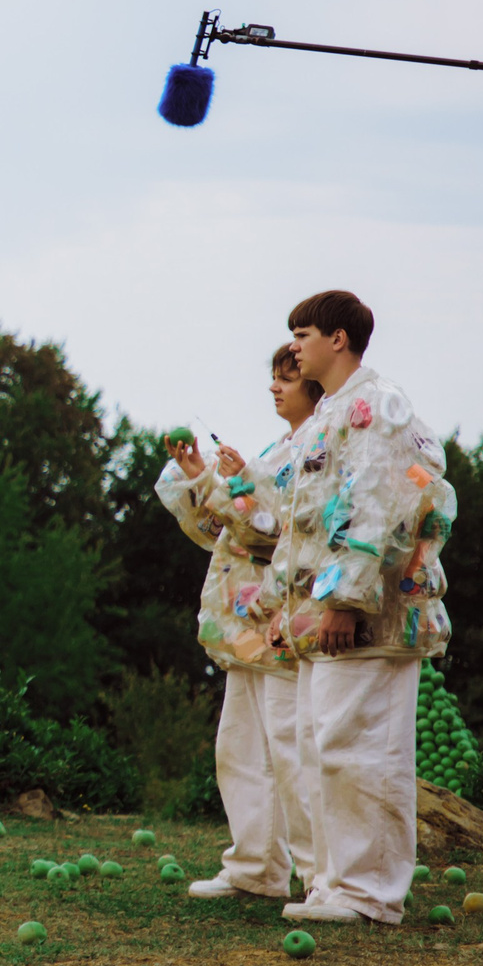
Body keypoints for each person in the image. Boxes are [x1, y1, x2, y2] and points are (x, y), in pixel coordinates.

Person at [272, 290, 455, 925]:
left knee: (363, 749)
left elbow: (379, 505)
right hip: (328, 621)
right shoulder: (331, 414)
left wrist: (347, 602)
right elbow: (308, 526)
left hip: (369, 617)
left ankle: (370, 894)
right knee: (323, 746)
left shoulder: (374, 406)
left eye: (303, 333)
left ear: (338, 339)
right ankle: (333, 884)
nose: (295, 346)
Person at [156, 343, 322, 901]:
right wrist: (203, 475)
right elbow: (229, 529)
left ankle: (319, 877)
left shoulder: (321, 447)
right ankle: (255, 867)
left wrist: (240, 484)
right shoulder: (282, 447)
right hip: (246, 626)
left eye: (287, 379)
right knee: (240, 748)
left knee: (290, 750)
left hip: (283, 621)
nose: (275, 388)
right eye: (274, 379)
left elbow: (283, 529)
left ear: (316, 383)